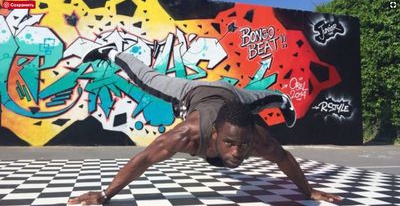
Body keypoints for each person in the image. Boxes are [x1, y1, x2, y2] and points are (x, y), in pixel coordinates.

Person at [68, 44, 342, 205]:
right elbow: (144, 160)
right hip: (193, 92)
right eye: (230, 144)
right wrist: (104, 195)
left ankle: (283, 100)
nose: (237, 152)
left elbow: (284, 158)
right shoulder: (185, 136)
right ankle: (112, 52)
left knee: (265, 98)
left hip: (234, 96)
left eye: (243, 146)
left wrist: (308, 191)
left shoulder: (257, 139)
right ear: (214, 134)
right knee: (145, 79)